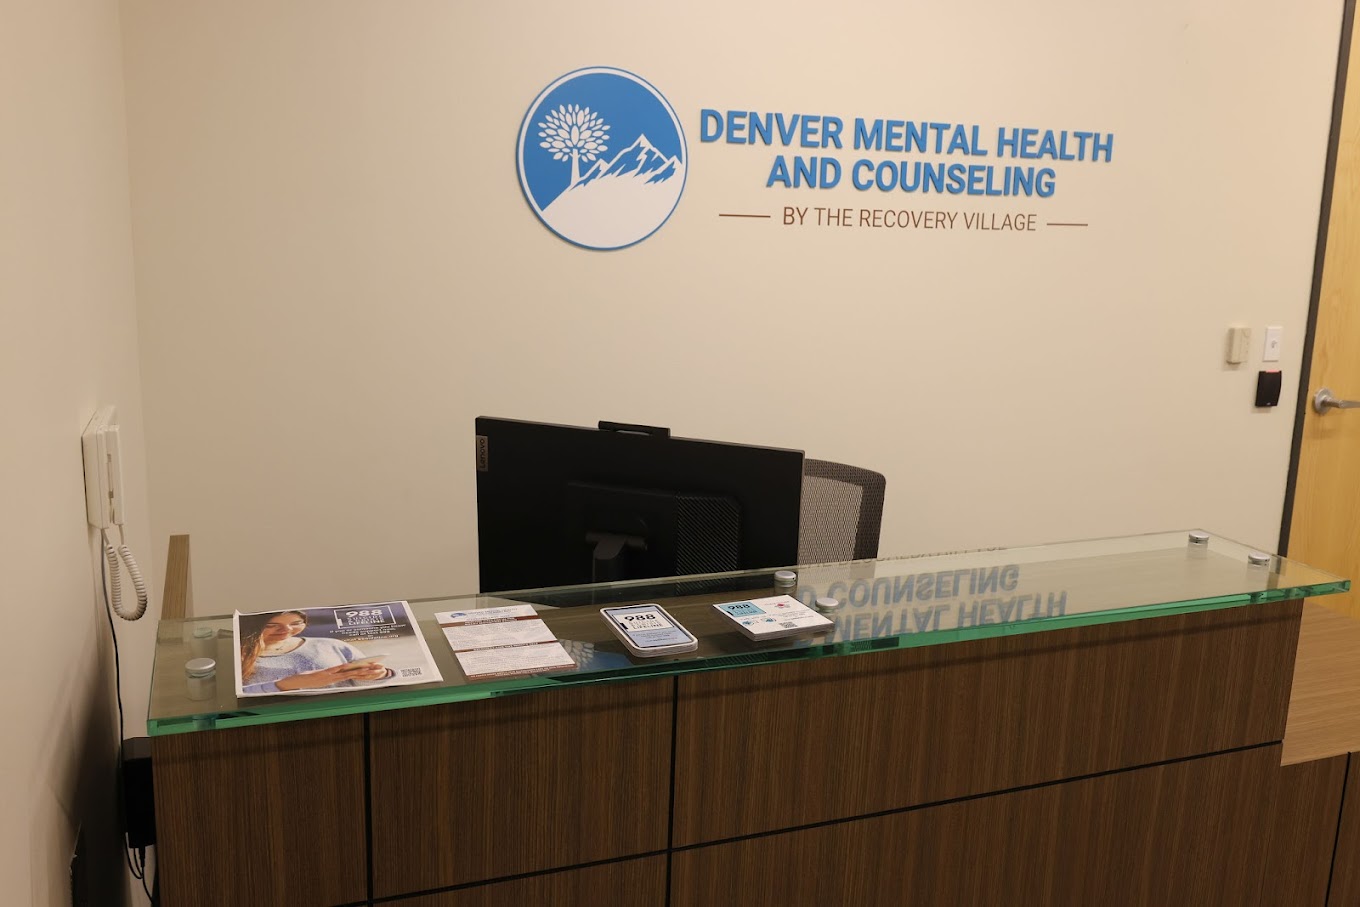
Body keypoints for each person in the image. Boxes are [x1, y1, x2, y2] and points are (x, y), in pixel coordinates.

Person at [238, 610, 390, 694]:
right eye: (272, 625)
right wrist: (284, 685)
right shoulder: (237, 656)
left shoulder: (331, 645)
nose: (287, 630)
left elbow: (363, 686)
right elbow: (234, 700)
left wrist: (375, 676)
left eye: (296, 623)